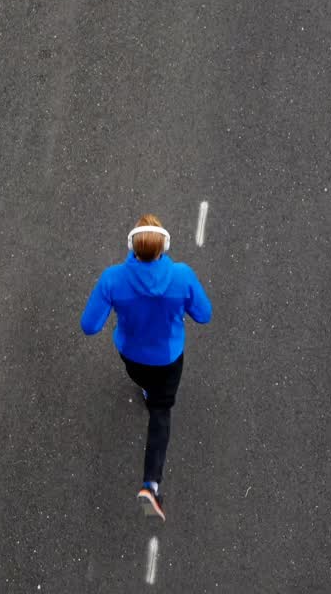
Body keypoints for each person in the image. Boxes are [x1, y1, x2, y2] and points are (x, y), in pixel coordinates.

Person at [81, 214, 212, 522]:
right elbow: (204, 315)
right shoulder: (182, 276)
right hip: (168, 359)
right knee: (160, 413)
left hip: (132, 355)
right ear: (164, 245)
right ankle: (150, 485)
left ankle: (145, 389)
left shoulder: (112, 279)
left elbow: (90, 326)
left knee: (144, 383)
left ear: (132, 246)